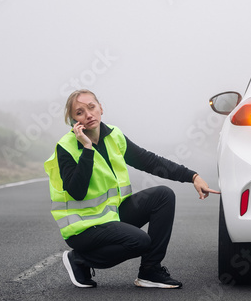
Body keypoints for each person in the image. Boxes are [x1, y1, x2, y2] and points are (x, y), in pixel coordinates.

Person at [44, 89, 219, 289]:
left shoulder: (113, 136)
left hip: (110, 217)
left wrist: (192, 176)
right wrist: (86, 149)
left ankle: (150, 271)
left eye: (91, 107)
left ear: (101, 108)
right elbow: (77, 192)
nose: (88, 114)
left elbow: (150, 161)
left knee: (163, 195)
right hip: (83, 229)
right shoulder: (66, 147)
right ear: (73, 120)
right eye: (79, 112)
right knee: (140, 241)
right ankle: (80, 260)